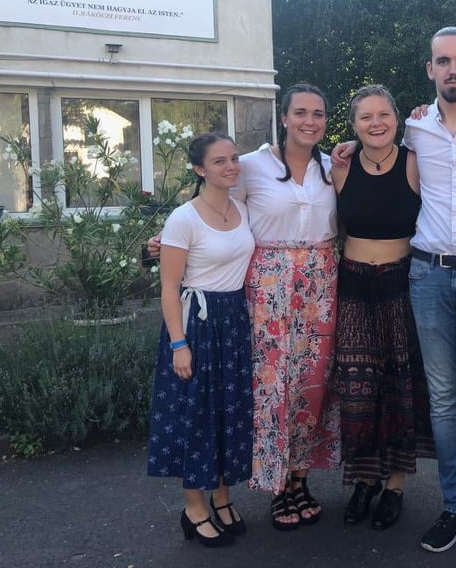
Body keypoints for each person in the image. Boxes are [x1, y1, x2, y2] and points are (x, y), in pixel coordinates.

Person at [331, 84, 436, 530]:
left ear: (397, 118)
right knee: (358, 389)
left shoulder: (416, 161)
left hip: (402, 283)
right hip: (353, 284)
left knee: (399, 387)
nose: (376, 123)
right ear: (353, 125)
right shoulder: (339, 166)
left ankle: (394, 485)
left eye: (383, 115)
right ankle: (364, 480)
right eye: (365, 117)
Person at [237, 83, 341, 531]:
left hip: (322, 283)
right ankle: (277, 484)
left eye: (318, 113)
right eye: (300, 112)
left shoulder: (333, 166)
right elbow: (216, 210)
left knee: (313, 384)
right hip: (268, 288)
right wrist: (174, 240)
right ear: (283, 117)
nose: (309, 121)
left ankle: (300, 477)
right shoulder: (250, 166)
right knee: (273, 383)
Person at [146, 132, 255, 548]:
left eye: (234, 159)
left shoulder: (242, 209)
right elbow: (169, 287)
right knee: (195, 416)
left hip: (233, 322)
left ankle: (222, 498)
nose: (230, 167)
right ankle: (194, 507)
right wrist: (179, 344)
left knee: (230, 413)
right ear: (199, 169)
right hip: (197, 324)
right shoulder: (184, 218)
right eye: (219, 161)